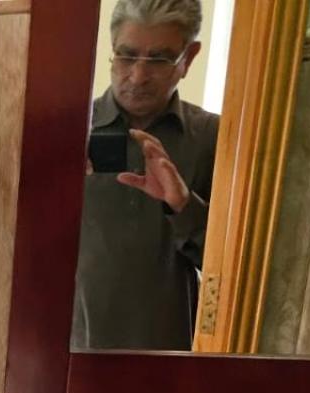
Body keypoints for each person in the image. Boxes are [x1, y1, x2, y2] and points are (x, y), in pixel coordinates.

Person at [72, 0, 219, 351]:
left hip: (169, 355)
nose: (138, 76)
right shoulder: (66, 130)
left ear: (189, 58)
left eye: (159, 59)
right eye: (126, 55)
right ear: (112, 49)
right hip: (71, 351)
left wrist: (183, 205)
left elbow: (232, 273)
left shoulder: (213, 138)